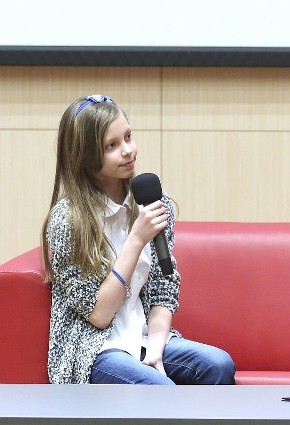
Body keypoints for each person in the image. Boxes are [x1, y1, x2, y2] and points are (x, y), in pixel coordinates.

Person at [42, 94, 236, 385]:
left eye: (129, 137)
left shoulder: (153, 202)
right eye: (112, 146)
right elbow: (99, 314)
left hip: (143, 336)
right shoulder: (68, 221)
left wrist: (158, 344)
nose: (128, 151)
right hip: (93, 350)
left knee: (218, 365)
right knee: (159, 388)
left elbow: (164, 286)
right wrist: (135, 239)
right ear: (85, 157)